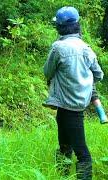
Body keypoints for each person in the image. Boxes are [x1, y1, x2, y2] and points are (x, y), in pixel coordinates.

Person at [43, 6, 104, 179]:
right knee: (64, 145)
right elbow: (99, 74)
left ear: (59, 27)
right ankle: (62, 175)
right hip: (75, 104)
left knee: (81, 151)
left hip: (68, 105)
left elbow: (47, 72)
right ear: (77, 25)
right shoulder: (86, 48)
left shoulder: (58, 47)